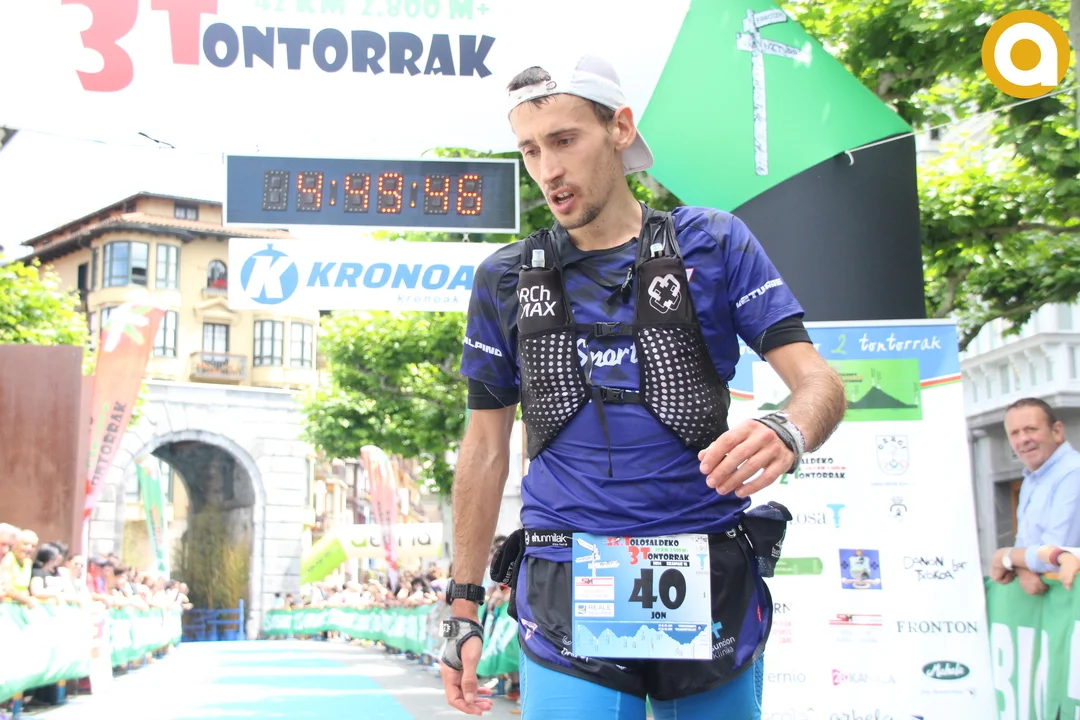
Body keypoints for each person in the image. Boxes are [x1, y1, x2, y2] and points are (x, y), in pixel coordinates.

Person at [440, 54, 847, 719]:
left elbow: (818, 382)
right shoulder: (504, 277)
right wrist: (461, 606)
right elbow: (485, 449)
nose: (548, 169)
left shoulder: (715, 242)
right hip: (567, 580)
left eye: (564, 140)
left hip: (707, 569)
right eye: (531, 150)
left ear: (620, 128)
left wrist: (788, 429)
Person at [990, 398, 1080, 595]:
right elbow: (1026, 548)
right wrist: (1021, 567)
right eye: (1015, 433)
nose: (1023, 439)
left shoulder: (1074, 473)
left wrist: (1004, 557)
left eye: (1031, 429)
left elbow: (1058, 552)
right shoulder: (1032, 479)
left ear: (1057, 431)